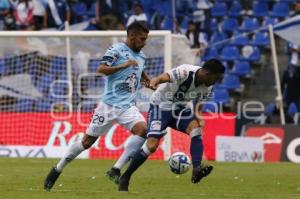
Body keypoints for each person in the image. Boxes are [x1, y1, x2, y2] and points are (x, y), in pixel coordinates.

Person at [44, 22, 152, 191]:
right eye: (142, 38)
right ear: (132, 36)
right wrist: (122, 65)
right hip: (107, 106)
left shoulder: (142, 55)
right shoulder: (116, 50)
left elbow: (139, 68)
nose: (144, 42)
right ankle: (57, 169)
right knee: (87, 142)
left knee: (144, 131)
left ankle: (115, 169)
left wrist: (145, 78)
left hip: (128, 107)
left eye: (146, 39)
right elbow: (101, 69)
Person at [118, 59, 225, 191]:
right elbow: (165, 77)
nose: (217, 81)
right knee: (151, 145)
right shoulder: (186, 71)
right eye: (216, 77)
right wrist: (155, 81)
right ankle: (126, 176)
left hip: (179, 109)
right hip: (160, 106)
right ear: (207, 73)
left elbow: (198, 106)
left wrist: (200, 119)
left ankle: (197, 168)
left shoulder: (208, 86)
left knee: (196, 130)